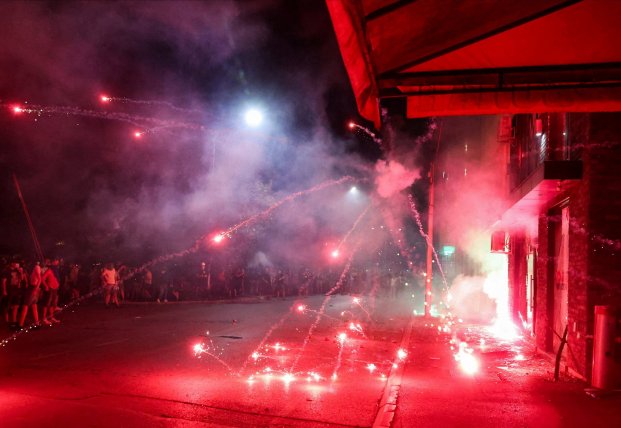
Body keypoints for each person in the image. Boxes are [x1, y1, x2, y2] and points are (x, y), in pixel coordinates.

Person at [18, 261, 42, 329]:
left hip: (33, 287)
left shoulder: (36, 267)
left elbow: (39, 279)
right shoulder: (34, 267)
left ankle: (20, 324)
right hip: (33, 287)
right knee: (34, 306)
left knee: (25, 305)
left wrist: (35, 289)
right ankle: (37, 323)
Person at [41, 260, 61, 325]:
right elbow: (42, 278)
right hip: (50, 289)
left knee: (52, 304)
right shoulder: (49, 270)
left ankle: (51, 317)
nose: (57, 263)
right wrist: (46, 286)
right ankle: (44, 319)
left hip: (55, 289)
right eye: (55, 261)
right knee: (46, 304)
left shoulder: (56, 271)